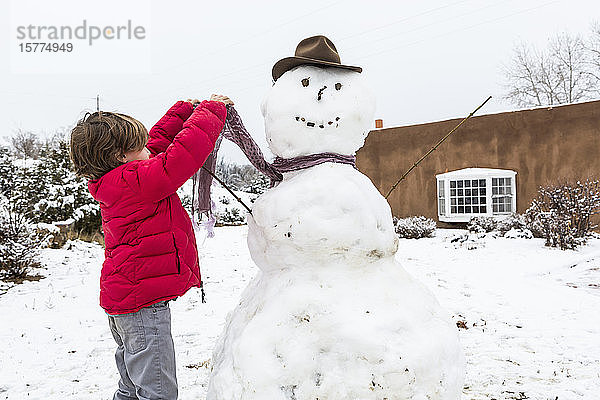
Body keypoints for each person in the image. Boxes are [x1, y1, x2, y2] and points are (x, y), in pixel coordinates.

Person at [69, 94, 233, 400]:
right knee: (157, 391)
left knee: (131, 387)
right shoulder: (136, 180)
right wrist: (211, 111)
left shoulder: (119, 179)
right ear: (120, 155)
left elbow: (155, 145)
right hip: (142, 307)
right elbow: (179, 158)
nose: (148, 149)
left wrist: (183, 111)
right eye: (138, 145)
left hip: (126, 303)